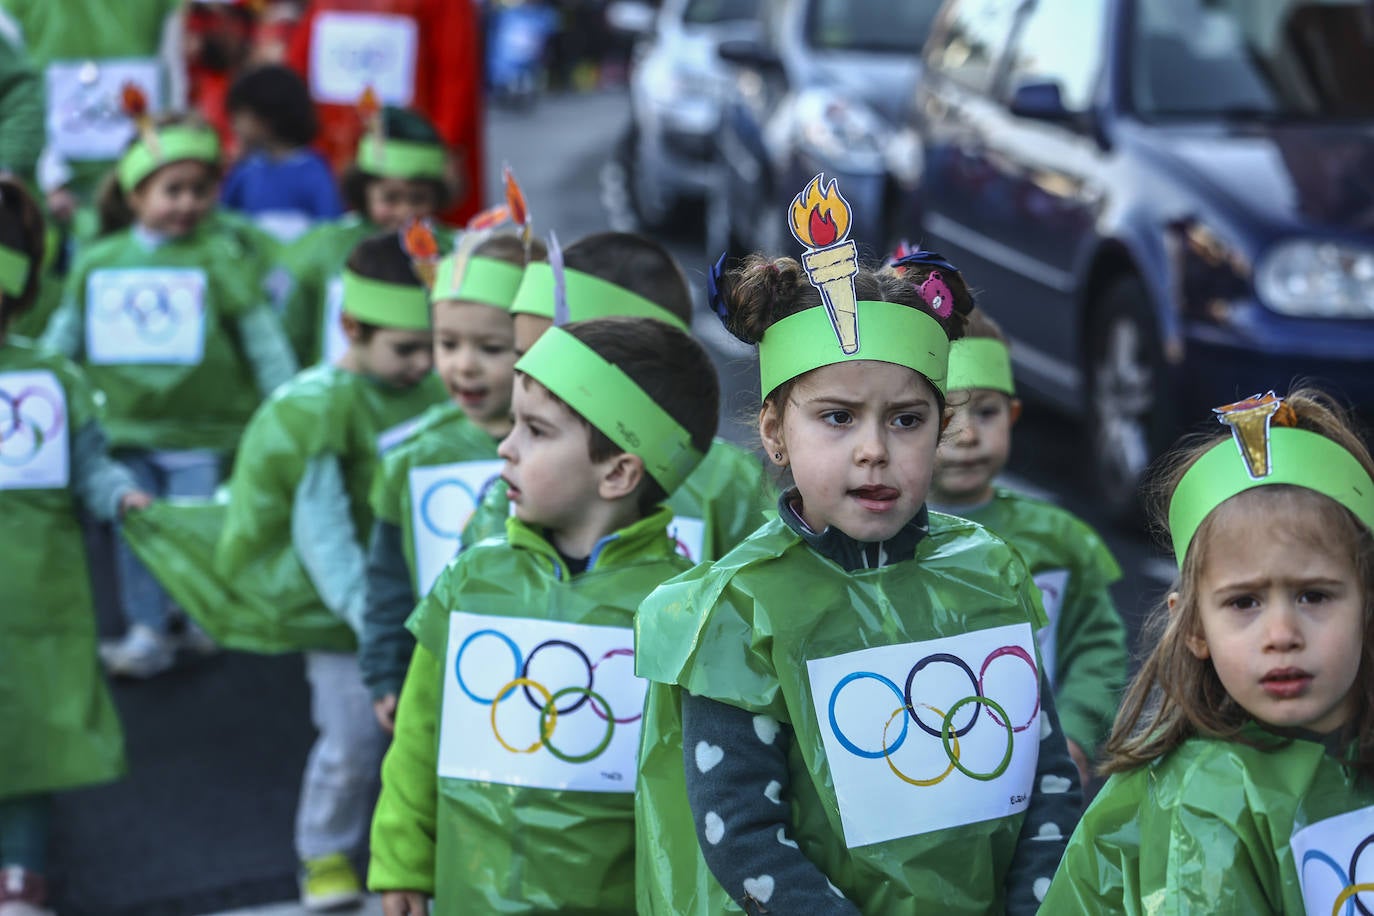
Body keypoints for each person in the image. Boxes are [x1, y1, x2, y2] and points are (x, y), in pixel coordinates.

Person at [633, 176, 1082, 915]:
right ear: (775, 430)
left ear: (943, 429)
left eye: (906, 420)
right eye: (838, 418)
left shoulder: (991, 572)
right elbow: (743, 833)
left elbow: (1046, 783)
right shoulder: (737, 610)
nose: (874, 450)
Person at [368, 314, 720, 915]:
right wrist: (401, 858)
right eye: (512, 424)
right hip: (469, 896)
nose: (505, 447)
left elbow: (695, 794)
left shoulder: (684, 610)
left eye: (534, 430)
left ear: (617, 472)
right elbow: (419, 734)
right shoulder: (471, 577)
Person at [1041, 387, 1374, 914]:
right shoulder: (1207, 800)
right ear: (1194, 626)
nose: (1281, 633)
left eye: (1314, 595)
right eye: (1244, 603)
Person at [39, 108, 297, 679]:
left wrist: (288, 401)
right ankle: (147, 630)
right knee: (136, 534)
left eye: (199, 190)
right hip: (124, 430)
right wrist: (37, 377)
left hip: (201, 432)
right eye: (171, 189)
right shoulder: (100, 261)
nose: (186, 202)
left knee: (196, 528)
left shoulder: (220, 256)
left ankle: (199, 613)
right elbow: (66, 334)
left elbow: (260, 335)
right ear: (135, 194)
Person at [0, 178, 150, 916]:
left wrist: (118, 494)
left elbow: (90, 463)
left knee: (32, 732)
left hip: (37, 593)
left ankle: (22, 872)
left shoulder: (49, 377)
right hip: (36, 589)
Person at [462, 230, 776, 564]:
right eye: (521, 359)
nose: (530, 378)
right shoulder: (515, 485)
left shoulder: (731, 483)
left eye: (555, 355)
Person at [928, 307, 1128, 782]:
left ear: (1013, 415)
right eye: (945, 415)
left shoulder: (1058, 539)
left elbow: (1097, 647)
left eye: (986, 412)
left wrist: (1077, 733)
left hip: (1038, 776)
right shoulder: (875, 538)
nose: (969, 435)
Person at [360, 229, 545, 734]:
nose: (463, 364)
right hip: (440, 669)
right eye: (446, 343)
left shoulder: (575, 449)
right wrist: (387, 673)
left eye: (490, 346)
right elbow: (389, 579)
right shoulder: (414, 456)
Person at [277, 103, 451, 366]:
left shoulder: (454, 252)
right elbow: (292, 329)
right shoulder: (325, 247)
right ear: (363, 192)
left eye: (418, 199)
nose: (405, 212)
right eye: (390, 198)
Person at [285, 0, 484, 223]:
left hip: (409, 153)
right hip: (332, 146)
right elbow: (301, 62)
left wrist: (445, 146)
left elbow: (455, 77)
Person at [220, 63, 342, 243]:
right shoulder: (245, 170)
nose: (234, 125)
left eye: (240, 116)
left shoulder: (314, 171)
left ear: (267, 118)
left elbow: (331, 229)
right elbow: (223, 220)